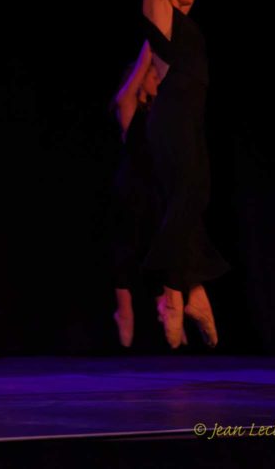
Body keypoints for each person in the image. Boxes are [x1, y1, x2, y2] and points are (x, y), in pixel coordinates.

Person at [140, 0, 228, 348]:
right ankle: (173, 294)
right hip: (170, 118)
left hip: (189, 119)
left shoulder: (187, 18)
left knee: (195, 197)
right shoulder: (159, 11)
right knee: (188, 193)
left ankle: (193, 291)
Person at [108, 41, 162, 347]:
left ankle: (164, 305)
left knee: (159, 247)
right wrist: (150, 44)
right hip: (131, 187)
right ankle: (125, 311)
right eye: (153, 76)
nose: (157, 79)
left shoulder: (160, 111)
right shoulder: (130, 106)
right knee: (127, 248)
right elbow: (133, 82)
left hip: (155, 188)